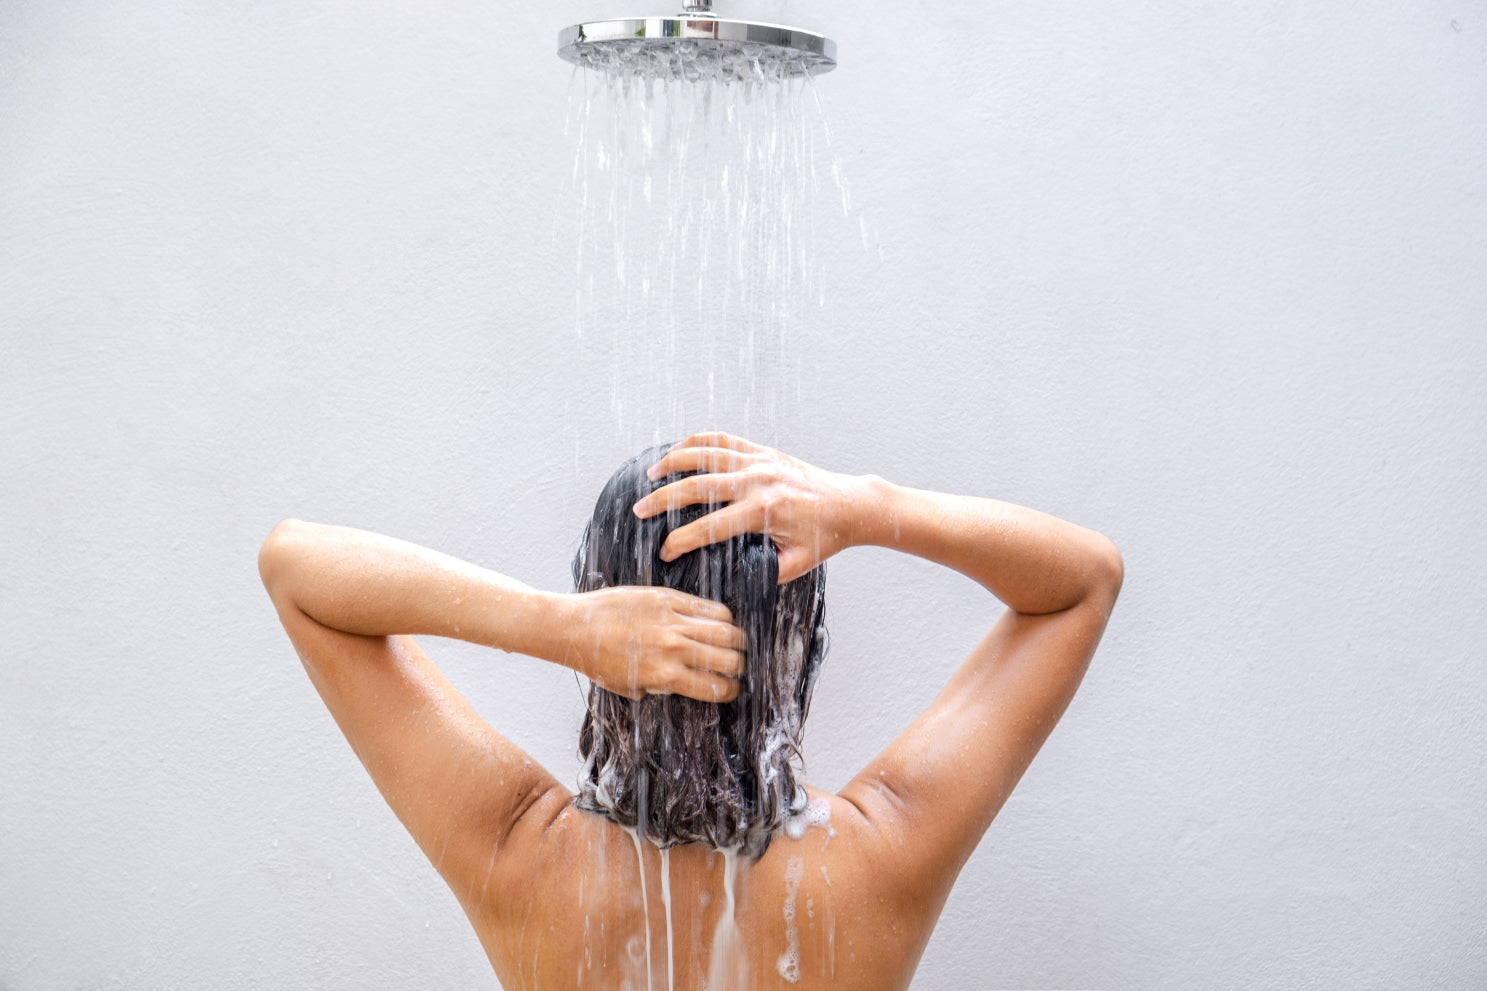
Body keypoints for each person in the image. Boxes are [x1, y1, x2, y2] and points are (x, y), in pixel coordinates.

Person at [258, 432, 1123, 991]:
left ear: (604, 621)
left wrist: (548, 626)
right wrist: (873, 508)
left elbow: (295, 568)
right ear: (794, 643)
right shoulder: (883, 851)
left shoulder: (517, 851)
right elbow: (1082, 581)